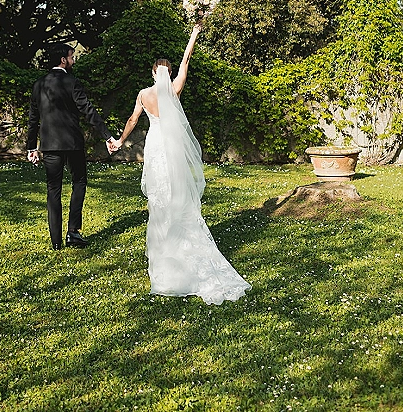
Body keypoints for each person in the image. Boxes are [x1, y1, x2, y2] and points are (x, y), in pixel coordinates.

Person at [111, 23, 250, 304]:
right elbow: (187, 59)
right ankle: (179, 240)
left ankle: (163, 250)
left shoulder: (143, 95)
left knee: (159, 197)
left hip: (155, 147)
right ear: (169, 73)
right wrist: (195, 34)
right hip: (171, 147)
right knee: (176, 194)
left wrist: (119, 141)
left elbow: (133, 120)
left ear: (152, 73)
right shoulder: (174, 90)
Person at [26, 43, 116, 250]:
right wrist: (107, 135)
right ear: (63, 60)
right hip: (73, 143)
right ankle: (73, 232)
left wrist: (32, 147)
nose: (73, 60)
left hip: (49, 145)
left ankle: (56, 241)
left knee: (53, 189)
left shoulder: (38, 84)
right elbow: (88, 110)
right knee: (79, 182)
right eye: (71, 56)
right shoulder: (72, 81)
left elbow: (33, 119)